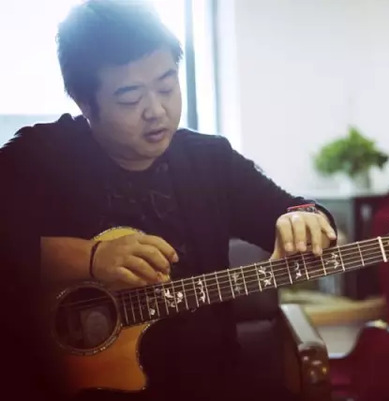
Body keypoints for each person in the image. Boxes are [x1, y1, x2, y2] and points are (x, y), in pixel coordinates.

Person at [0, 1, 337, 400]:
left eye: (166, 86)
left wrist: (305, 219)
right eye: (130, 99)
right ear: (84, 102)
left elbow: (295, 210)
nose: (157, 111)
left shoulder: (209, 160)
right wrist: (89, 258)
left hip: (214, 383)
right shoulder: (40, 158)